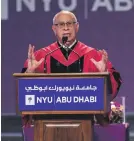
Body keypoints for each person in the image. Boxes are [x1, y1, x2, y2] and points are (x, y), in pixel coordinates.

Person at [22, 10, 122, 127]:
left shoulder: (93, 55)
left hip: (86, 123)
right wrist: (29, 73)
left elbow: (113, 87)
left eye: (70, 24)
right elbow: (26, 95)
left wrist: (104, 74)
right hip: (47, 123)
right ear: (54, 29)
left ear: (77, 27)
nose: (66, 28)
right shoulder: (40, 56)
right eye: (61, 24)